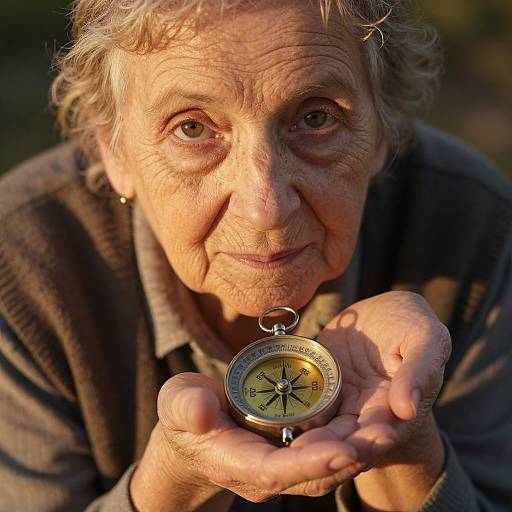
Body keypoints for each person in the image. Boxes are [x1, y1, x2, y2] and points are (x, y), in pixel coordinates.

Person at [0, 0, 511, 511]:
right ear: (113, 147)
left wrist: (409, 448)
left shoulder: (473, 226)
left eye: (316, 118)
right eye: (192, 129)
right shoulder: (20, 268)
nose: (265, 207)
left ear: (382, 124)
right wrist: (172, 485)